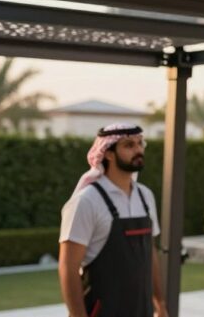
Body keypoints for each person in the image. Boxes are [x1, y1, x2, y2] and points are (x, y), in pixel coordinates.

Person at [59, 123, 168, 317]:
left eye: (140, 143)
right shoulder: (86, 201)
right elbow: (68, 267)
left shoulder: (145, 196)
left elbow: (149, 252)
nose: (138, 150)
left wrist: (159, 301)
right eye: (128, 145)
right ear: (107, 153)